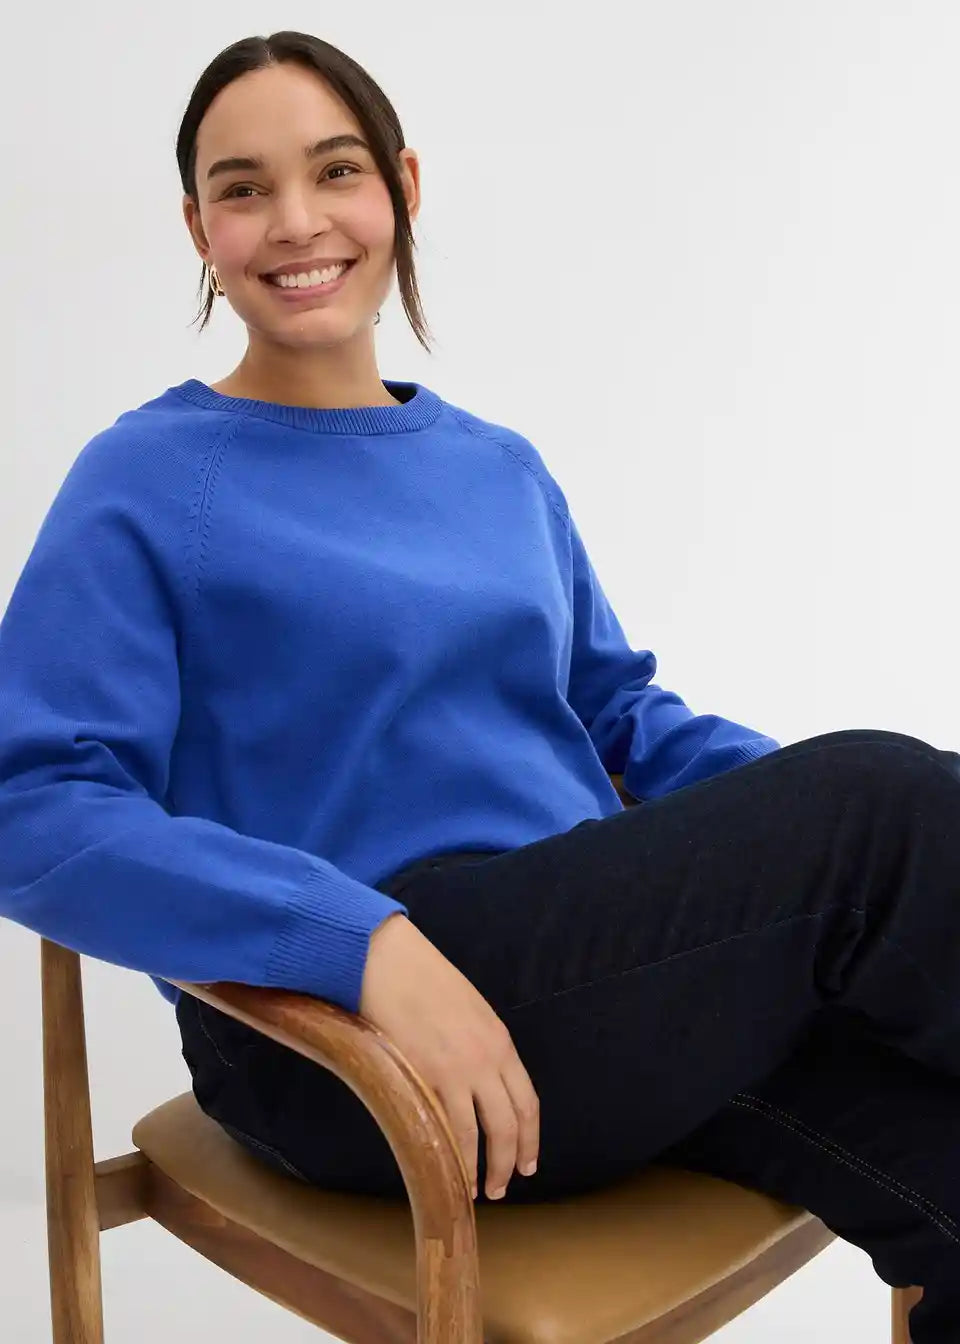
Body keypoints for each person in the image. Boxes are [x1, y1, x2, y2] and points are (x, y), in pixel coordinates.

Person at [1, 28, 959, 1340]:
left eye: (335, 171)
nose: (296, 220)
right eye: (244, 188)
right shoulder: (152, 477)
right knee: (878, 802)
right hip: (331, 1038)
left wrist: (815, 859)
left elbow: (620, 719)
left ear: (401, 186)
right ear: (199, 230)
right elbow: (33, 801)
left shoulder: (498, 469)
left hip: (579, 988)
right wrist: (359, 941)